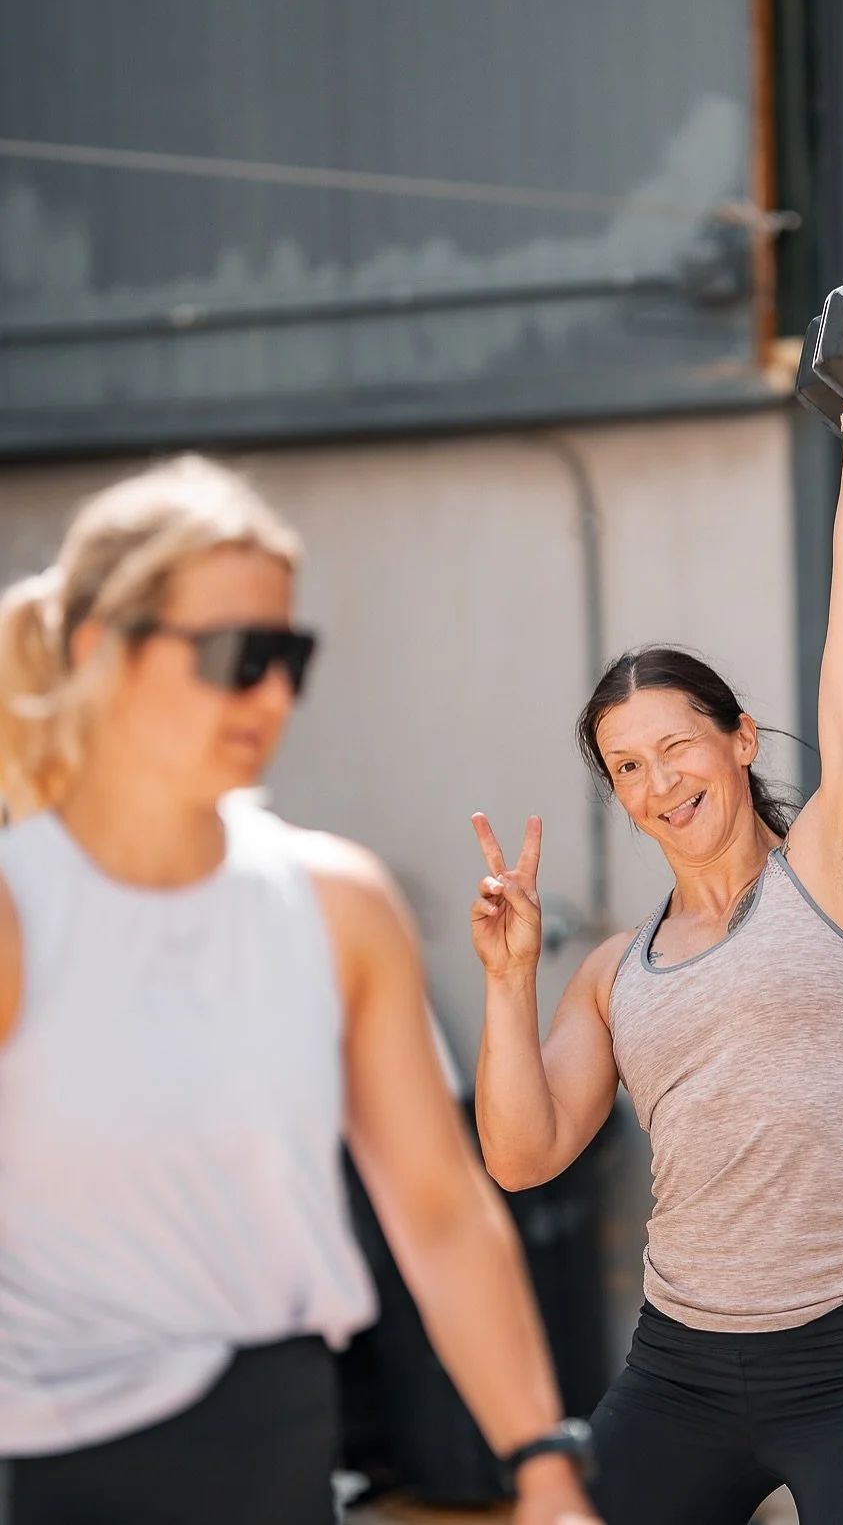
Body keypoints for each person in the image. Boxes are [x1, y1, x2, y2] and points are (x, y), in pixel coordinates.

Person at [0, 456, 598, 1525]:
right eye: (237, 655)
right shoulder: (19, 910)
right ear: (104, 651)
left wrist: (543, 1467)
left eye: (290, 654)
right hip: (48, 1477)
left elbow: (441, 1208)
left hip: (274, 1455)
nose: (273, 692)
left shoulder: (335, 904)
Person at [471, 401, 843, 1525]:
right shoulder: (614, 970)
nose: (659, 781)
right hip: (682, 1368)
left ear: (741, 736)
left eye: (678, 744)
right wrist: (509, 979)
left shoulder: (842, 867)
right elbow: (520, 1153)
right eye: (627, 765)